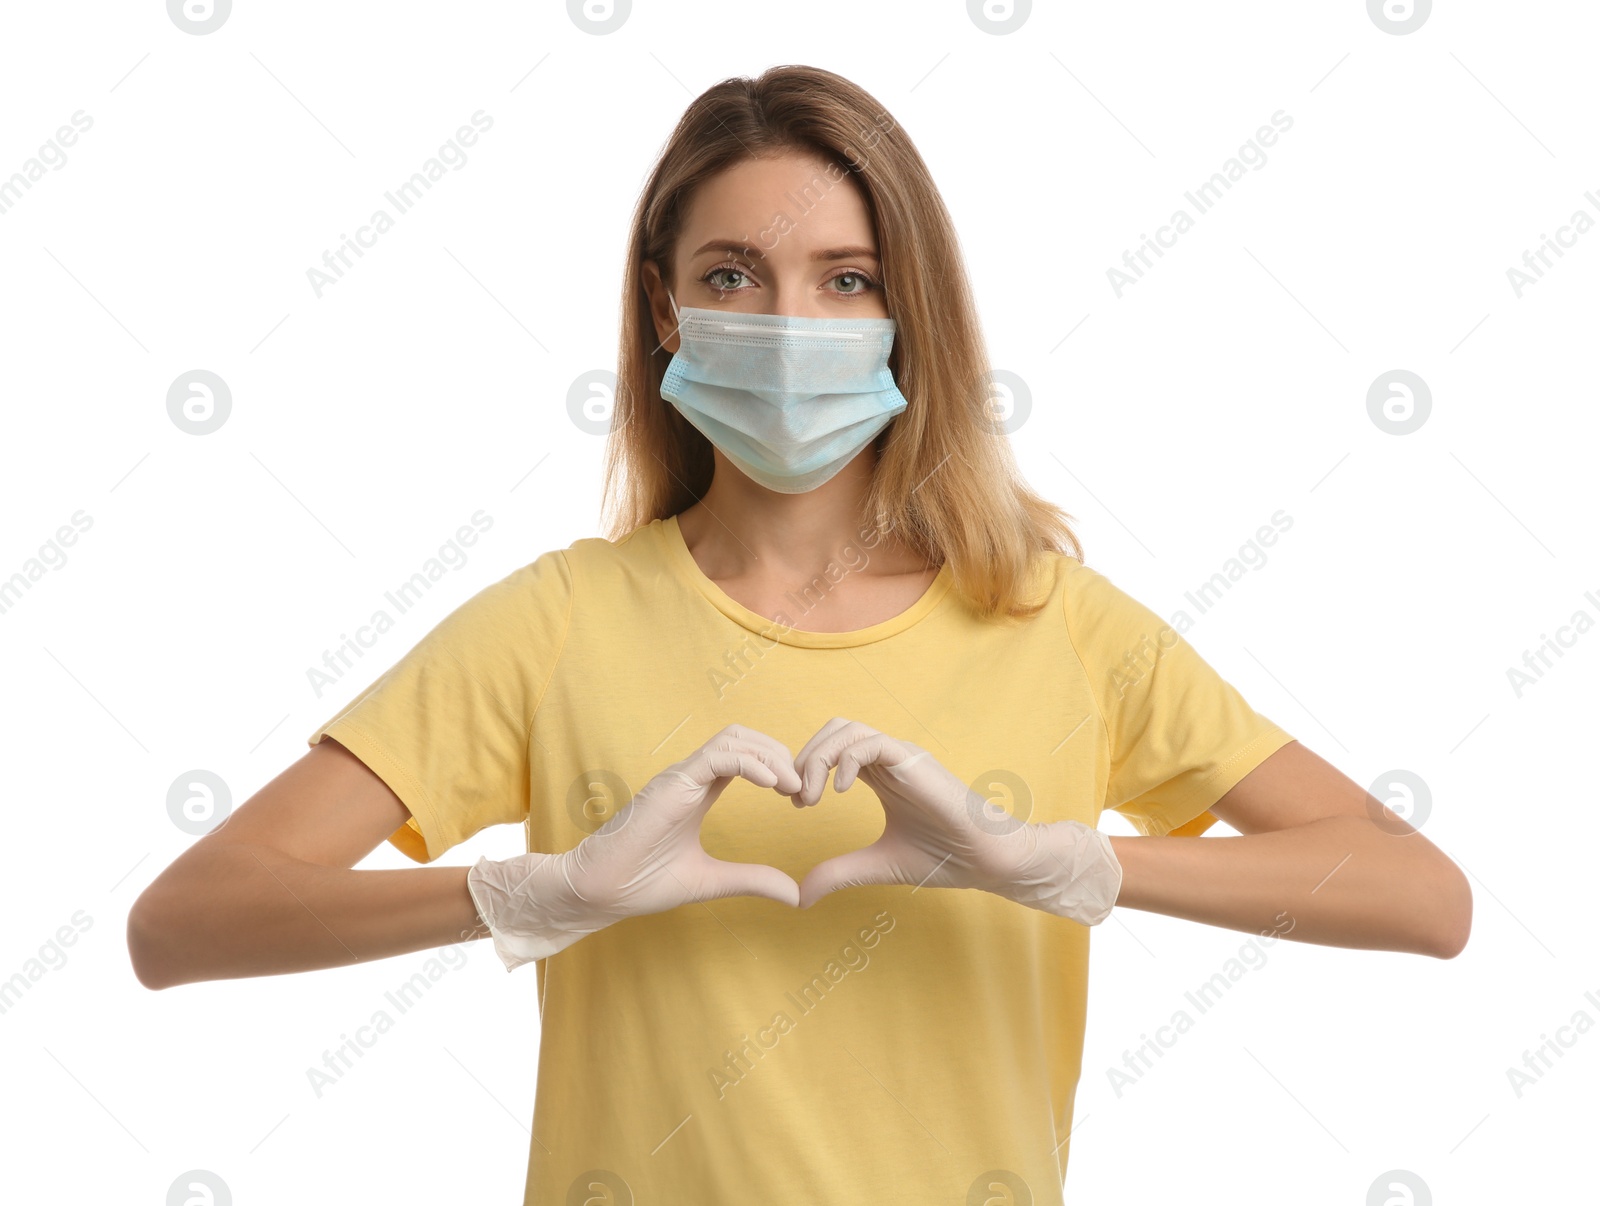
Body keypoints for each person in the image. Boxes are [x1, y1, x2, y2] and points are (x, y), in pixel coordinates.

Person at [126, 64, 1473, 1205]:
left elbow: (1423, 895)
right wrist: (530, 892)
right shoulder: (556, 623)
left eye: (845, 279)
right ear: (665, 306)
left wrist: (1071, 866)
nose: (787, 323)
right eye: (733, 273)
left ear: (909, 314)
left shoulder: (1056, 624)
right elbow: (180, 924)